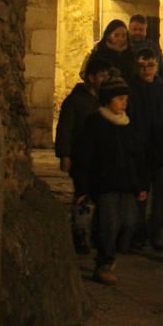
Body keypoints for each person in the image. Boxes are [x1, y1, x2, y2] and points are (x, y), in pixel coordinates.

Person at [72, 76, 148, 286]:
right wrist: (82, 187)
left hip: (127, 184)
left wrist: (142, 184)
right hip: (105, 184)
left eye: (126, 99)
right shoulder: (95, 123)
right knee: (109, 223)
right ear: (108, 99)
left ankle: (109, 252)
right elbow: (84, 157)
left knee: (129, 222)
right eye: (120, 98)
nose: (124, 103)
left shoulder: (128, 125)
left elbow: (138, 156)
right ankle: (104, 262)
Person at [55, 55, 113, 254]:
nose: (105, 80)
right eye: (101, 76)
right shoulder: (75, 101)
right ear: (91, 77)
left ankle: (96, 233)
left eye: (107, 76)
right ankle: (79, 233)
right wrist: (65, 155)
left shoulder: (106, 100)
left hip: (101, 157)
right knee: (82, 195)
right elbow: (65, 128)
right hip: (81, 157)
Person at [127, 48, 163, 252]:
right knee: (139, 196)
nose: (145, 70)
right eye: (141, 65)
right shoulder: (130, 91)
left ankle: (156, 231)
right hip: (138, 154)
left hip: (160, 154)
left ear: (156, 66)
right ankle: (138, 233)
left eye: (149, 65)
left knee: (162, 195)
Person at [85, 19, 138, 84]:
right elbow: (89, 73)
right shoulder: (100, 52)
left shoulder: (130, 52)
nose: (120, 39)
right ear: (109, 36)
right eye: (116, 35)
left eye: (124, 35)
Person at [127, 14, 163, 84]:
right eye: (135, 29)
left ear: (145, 30)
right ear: (129, 28)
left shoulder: (153, 47)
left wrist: (161, 86)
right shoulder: (124, 46)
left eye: (141, 30)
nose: (137, 32)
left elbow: (162, 68)